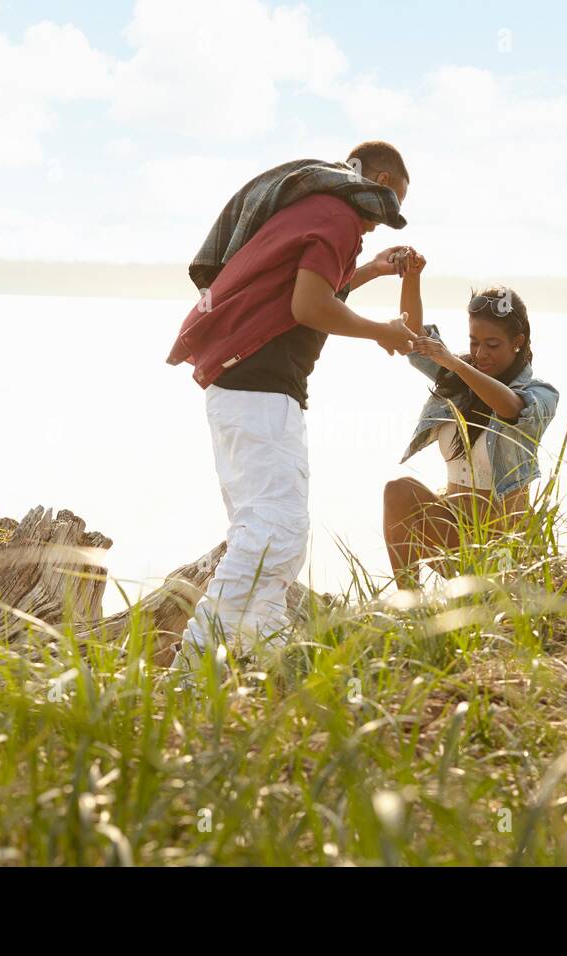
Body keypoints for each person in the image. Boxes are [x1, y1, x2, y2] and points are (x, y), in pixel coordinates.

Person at [166, 141, 419, 674]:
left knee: (270, 531)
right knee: (273, 532)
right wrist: (381, 333)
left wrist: (368, 271)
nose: (378, 224)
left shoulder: (314, 206)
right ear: (374, 179)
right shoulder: (340, 214)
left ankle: (270, 670)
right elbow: (309, 305)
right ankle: (186, 672)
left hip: (242, 383)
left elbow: (299, 286)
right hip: (261, 388)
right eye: (387, 206)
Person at [383, 261, 560, 589]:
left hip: (502, 553)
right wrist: (412, 277)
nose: (479, 353)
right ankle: (410, 606)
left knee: (403, 493)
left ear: (518, 341)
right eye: (474, 342)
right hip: (454, 537)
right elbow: (413, 338)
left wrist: (452, 362)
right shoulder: (459, 380)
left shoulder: (541, 395)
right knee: (398, 491)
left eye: (492, 345)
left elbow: (511, 408)